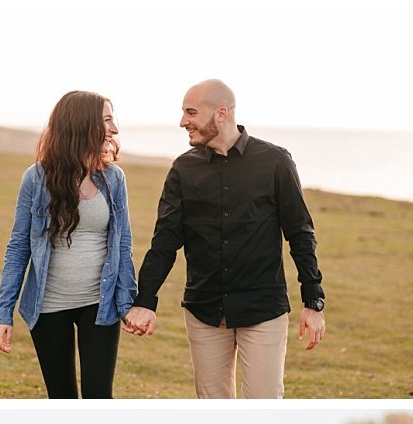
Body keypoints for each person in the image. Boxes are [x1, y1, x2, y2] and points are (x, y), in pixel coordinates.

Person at [122, 79, 326, 398]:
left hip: (263, 308)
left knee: (263, 402)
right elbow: (164, 241)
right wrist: (145, 301)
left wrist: (313, 301)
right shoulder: (183, 170)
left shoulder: (275, 161)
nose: (183, 122)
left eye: (191, 112)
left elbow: (300, 232)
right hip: (204, 310)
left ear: (220, 113)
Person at [0, 91, 137, 399]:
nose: (114, 129)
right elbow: (18, 247)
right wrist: (4, 313)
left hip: (100, 305)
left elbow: (123, 245)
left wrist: (127, 305)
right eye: (107, 120)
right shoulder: (36, 179)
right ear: (82, 125)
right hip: (48, 307)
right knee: (62, 398)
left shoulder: (114, 178)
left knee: (100, 396)